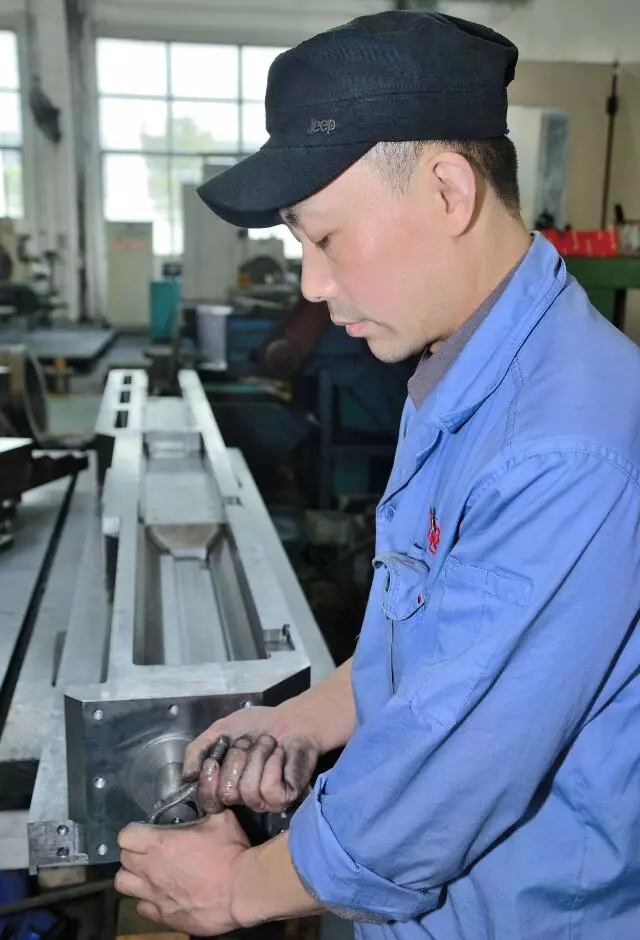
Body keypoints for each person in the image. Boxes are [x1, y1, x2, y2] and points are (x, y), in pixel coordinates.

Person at [115, 10, 640, 939]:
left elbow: (453, 770)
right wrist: (307, 719)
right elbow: (438, 636)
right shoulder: (463, 368)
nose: (313, 286)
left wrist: (238, 888)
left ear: (448, 192)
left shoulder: (564, 445)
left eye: (326, 239)